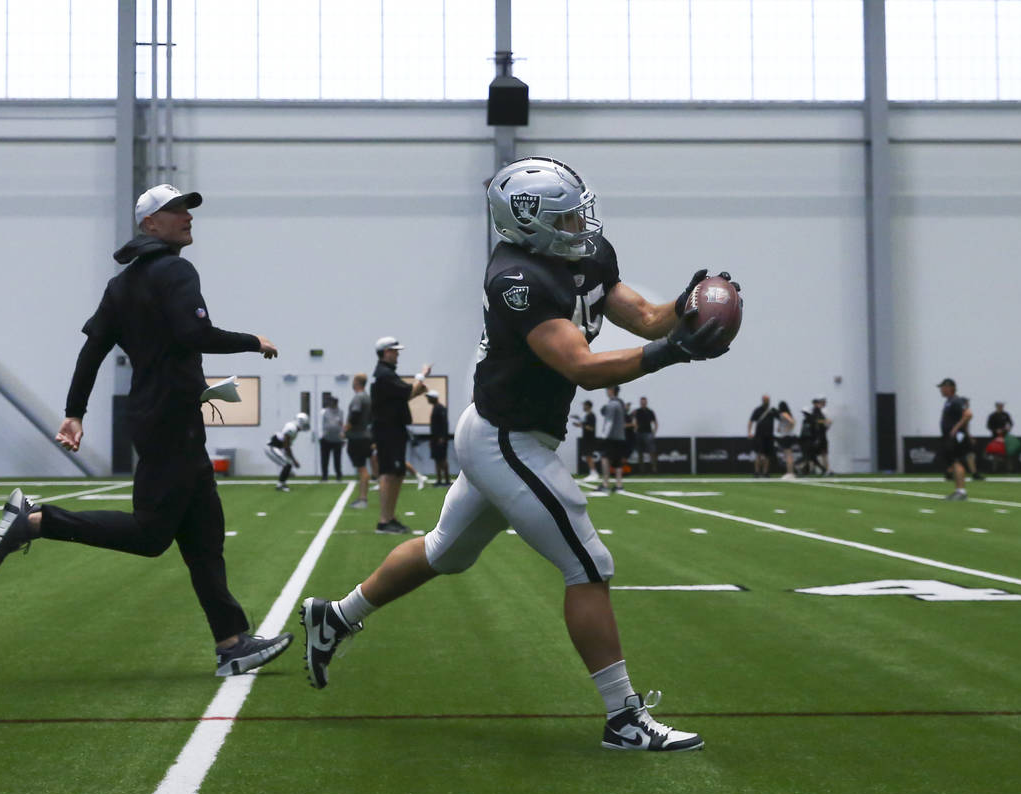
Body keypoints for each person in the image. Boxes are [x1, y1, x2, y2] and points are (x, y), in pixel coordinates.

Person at [300, 156, 737, 752]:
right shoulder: (517, 279)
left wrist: (686, 309)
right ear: (528, 223)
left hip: (502, 429)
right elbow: (580, 368)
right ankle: (623, 718)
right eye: (566, 216)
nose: (581, 224)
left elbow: (641, 315)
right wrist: (674, 353)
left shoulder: (586, 254)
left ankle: (336, 617)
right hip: (505, 439)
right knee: (588, 564)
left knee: (443, 553)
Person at [0, 183, 293, 677]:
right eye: (174, 211)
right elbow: (195, 334)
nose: (186, 217)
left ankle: (232, 642)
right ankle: (38, 521)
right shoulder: (177, 270)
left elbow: (93, 349)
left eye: (186, 209)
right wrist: (253, 341)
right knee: (151, 535)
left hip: (158, 417)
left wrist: (74, 411)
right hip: (173, 420)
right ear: (150, 225)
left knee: (204, 534)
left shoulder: (120, 286)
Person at [370, 336, 431, 534]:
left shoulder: (387, 375)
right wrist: (421, 377)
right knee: (389, 473)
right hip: (389, 430)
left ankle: (390, 517)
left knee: (396, 473)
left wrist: (418, 388)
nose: (397, 354)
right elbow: (408, 392)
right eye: (395, 351)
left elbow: (405, 395)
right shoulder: (385, 375)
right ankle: (385, 520)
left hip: (393, 429)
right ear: (386, 352)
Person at [938, 377, 973, 501]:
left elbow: (968, 414)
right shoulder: (949, 401)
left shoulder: (956, 401)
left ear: (949, 388)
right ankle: (958, 490)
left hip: (956, 437)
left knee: (957, 461)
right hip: (950, 436)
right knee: (953, 462)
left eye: (942, 387)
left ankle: (961, 491)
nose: (941, 390)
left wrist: (956, 428)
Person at [344, 374, 374, 509]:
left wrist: (345, 430)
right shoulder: (367, 397)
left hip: (357, 437)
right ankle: (362, 497)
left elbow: (355, 415)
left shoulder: (358, 397)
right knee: (362, 468)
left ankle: (363, 499)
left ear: (356, 382)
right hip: (365, 436)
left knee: (362, 469)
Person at [267, 412, 311, 491]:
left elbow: (286, 445)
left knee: (288, 464)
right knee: (288, 464)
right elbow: (286, 446)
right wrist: (294, 460)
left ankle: (282, 483)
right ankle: (280, 485)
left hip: (277, 447)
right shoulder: (292, 428)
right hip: (272, 447)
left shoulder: (292, 427)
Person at [598, 386, 627, 492]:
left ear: (611, 390)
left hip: (611, 437)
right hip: (620, 437)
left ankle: (605, 484)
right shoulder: (620, 404)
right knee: (618, 461)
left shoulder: (612, 404)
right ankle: (619, 485)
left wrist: (603, 437)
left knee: (605, 458)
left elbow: (609, 422)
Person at [747, 395, 775, 478]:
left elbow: (780, 417)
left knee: (767, 455)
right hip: (759, 435)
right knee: (758, 454)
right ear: (762, 400)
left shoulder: (772, 410)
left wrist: (780, 428)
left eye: (768, 400)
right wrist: (749, 432)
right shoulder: (757, 410)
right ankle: (757, 472)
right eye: (765, 400)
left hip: (769, 436)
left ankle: (766, 472)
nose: (767, 401)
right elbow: (751, 421)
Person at [426, 391, 451, 486]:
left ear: (434, 398)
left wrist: (442, 437)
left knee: (442, 459)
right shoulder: (436, 408)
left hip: (440, 439)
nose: (428, 399)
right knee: (437, 459)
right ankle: (439, 480)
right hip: (435, 439)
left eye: (429, 397)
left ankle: (447, 481)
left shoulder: (440, 409)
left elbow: (444, 424)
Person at [985, 401, 1015, 473]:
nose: (1001, 407)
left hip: (1005, 436)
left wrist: (1008, 428)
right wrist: (995, 430)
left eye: (1002, 406)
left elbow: (1010, 423)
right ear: (996, 406)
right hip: (995, 437)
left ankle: (1009, 469)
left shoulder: (1006, 414)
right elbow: (989, 425)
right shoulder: (992, 415)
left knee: (1007, 453)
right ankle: (994, 469)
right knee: (995, 454)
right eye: (999, 406)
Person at [571, 400, 599, 479]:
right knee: (587, 456)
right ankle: (593, 473)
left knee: (589, 456)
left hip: (590, 439)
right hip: (587, 439)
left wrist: (581, 425)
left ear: (588, 406)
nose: (583, 407)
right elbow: (585, 425)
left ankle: (594, 474)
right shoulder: (587, 416)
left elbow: (591, 428)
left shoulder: (591, 416)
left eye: (584, 405)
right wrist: (579, 424)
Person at [319, 396, 345, 482]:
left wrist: (343, 437)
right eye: (332, 402)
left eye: (335, 402)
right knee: (325, 459)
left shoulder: (340, 412)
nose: (333, 404)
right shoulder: (324, 412)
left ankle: (338, 475)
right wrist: (321, 436)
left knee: (337, 459)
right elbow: (320, 424)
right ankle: (324, 476)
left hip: (337, 439)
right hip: (326, 439)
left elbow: (342, 425)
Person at [632, 396, 657, 473]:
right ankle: (641, 470)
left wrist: (654, 432)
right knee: (640, 452)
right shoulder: (637, 411)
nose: (643, 403)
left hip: (648, 433)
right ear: (640, 403)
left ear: (646, 402)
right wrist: (635, 429)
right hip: (639, 433)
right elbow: (634, 420)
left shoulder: (650, 411)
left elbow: (655, 423)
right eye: (642, 402)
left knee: (652, 451)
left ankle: (654, 468)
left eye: (644, 402)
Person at [774, 400, 796, 479]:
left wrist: (788, 429)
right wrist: (780, 428)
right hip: (786, 436)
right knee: (787, 455)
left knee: (788, 455)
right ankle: (790, 472)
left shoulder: (784, 413)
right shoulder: (783, 414)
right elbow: (781, 425)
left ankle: (790, 473)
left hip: (787, 437)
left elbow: (792, 422)